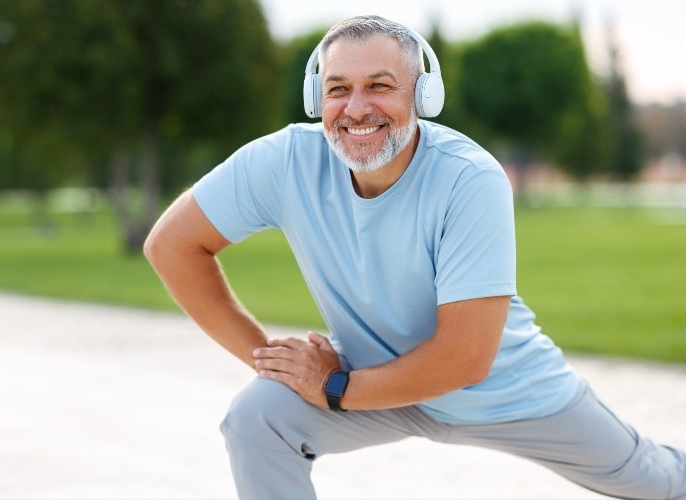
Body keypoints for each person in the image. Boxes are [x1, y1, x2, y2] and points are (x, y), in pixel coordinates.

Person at [144, 15, 685, 499]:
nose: (356, 108)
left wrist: (334, 387)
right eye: (338, 89)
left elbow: (466, 357)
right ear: (317, 99)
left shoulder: (468, 178)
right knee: (257, 419)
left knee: (654, 481)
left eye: (380, 86)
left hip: (504, 392)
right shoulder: (284, 161)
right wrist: (276, 365)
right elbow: (171, 245)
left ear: (423, 96)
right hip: (371, 384)